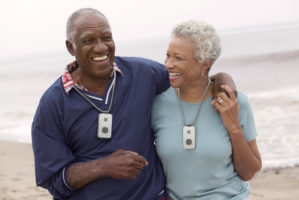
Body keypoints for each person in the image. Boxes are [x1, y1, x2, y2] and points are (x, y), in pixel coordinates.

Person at [31, 8, 236, 200]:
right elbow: (54, 180)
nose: (101, 47)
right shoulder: (52, 104)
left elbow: (190, 77)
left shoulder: (143, 73)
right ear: (71, 47)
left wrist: (223, 80)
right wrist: (103, 167)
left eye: (106, 38)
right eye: (88, 40)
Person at [152, 20, 262, 200]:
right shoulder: (158, 103)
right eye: (167, 55)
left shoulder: (234, 102)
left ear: (204, 63)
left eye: (178, 58)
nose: (168, 64)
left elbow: (249, 172)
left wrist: (233, 125)